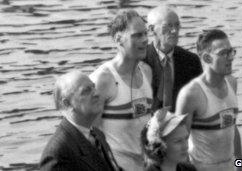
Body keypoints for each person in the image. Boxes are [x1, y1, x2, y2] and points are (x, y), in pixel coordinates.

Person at [90, 10, 152, 171]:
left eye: (145, 34)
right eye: (137, 35)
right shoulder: (103, 79)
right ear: (118, 39)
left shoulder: (146, 72)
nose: (145, 40)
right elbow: (89, 136)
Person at [175, 29, 242, 171]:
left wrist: (241, 165)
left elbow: (232, 128)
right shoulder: (191, 94)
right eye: (223, 53)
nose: (231, 57)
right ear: (206, 58)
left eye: (231, 51)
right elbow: (178, 144)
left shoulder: (232, 82)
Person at [40, 71, 121, 171]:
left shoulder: (97, 135)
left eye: (93, 87)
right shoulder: (58, 153)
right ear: (67, 104)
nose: (96, 93)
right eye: (86, 91)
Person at [144, 5, 202, 112]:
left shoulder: (191, 61)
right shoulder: (140, 60)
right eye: (168, 26)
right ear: (152, 29)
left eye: (177, 25)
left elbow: (199, 100)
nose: (174, 31)